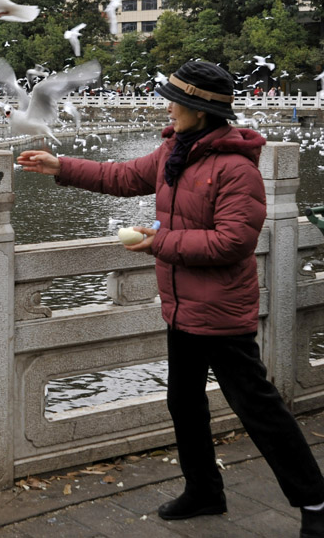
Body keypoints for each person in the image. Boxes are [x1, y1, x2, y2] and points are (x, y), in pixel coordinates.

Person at [17, 60, 324, 538]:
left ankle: (316, 502)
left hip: (220, 312)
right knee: (183, 403)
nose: (168, 107)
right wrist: (62, 167)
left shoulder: (235, 170)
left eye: (176, 101)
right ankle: (205, 490)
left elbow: (232, 243)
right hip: (181, 307)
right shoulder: (173, 153)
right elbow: (122, 177)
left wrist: (159, 242)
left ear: (200, 111)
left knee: (258, 409)